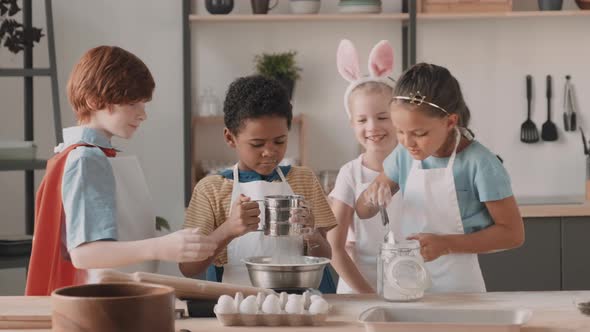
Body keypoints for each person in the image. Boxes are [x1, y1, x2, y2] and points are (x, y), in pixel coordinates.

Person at [26, 46, 217, 296]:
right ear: (95, 101)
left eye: (143, 103)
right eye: (132, 103)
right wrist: (161, 246)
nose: (142, 114)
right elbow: (85, 254)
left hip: (115, 298)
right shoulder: (87, 158)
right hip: (104, 302)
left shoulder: (92, 155)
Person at [355, 63, 524, 293]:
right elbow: (363, 211)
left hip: (460, 287)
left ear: (450, 122)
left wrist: (446, 245)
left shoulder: (481, 164)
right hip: (408, 282)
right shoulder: (403, 156)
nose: (407, 142)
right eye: (400, 131)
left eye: (420, 133)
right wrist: (372, 196)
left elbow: (513, 234)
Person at [180, 75, 337, 290]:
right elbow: (188, 267)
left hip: (302, 300)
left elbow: (325, 257)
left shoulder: (304, 179)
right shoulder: (211, 189)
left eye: (280, 141)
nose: (269, 152)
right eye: (257, 143)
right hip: (238, 302)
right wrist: (228, 230)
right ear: (230, 138)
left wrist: (311, 233)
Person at [328, 39, 402, 294]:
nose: (372, 127)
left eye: (382, 117)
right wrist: (366, 294)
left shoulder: (417, 166)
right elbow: (334, 248)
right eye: (362, 120)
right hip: (358, 289)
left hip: (410, 283)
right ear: (352, 124)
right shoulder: (350, 173)